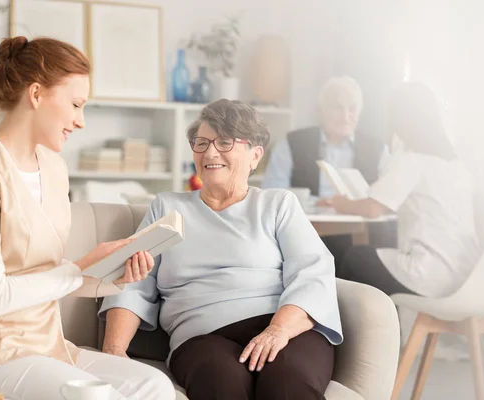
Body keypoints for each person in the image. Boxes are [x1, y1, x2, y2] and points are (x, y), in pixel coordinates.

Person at [0, 36, 176, 400]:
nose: (81, 121)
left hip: (45, 344)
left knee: (154, 385)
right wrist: (77, 269)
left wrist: (115, 275)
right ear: (36, 94)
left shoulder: (55, 168)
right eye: (76, 104)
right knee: (93, 396)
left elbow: (51, 274)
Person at [99, 99, 343, 400]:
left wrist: (278, 329)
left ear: (255, 155)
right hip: (202, 336)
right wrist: (113, 351)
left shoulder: (278, 204)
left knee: (287, 383)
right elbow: (134, 281)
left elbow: (313, 272)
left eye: (225, 142)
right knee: (219, 383)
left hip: (281, 326)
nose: (210, 152)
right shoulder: (168, 207)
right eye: (201, 143)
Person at [332, 82, 481, 297]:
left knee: (356, 257)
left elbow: (373, 208)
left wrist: (341, 203)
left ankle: (341, 328)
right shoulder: (457, 164)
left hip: (430, 274)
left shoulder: (412, 159)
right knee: (371, 259)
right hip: (466, 277)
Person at [261, 76, 391, 267]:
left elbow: (389, 200)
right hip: (303, 233)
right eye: (337, 108)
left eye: (352, 108)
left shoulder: (378, 149)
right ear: (320, 111)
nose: (345, 116)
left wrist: (347, 205)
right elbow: (271, 194)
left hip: (360, 238)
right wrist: (317, 203)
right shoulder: (292, 143)